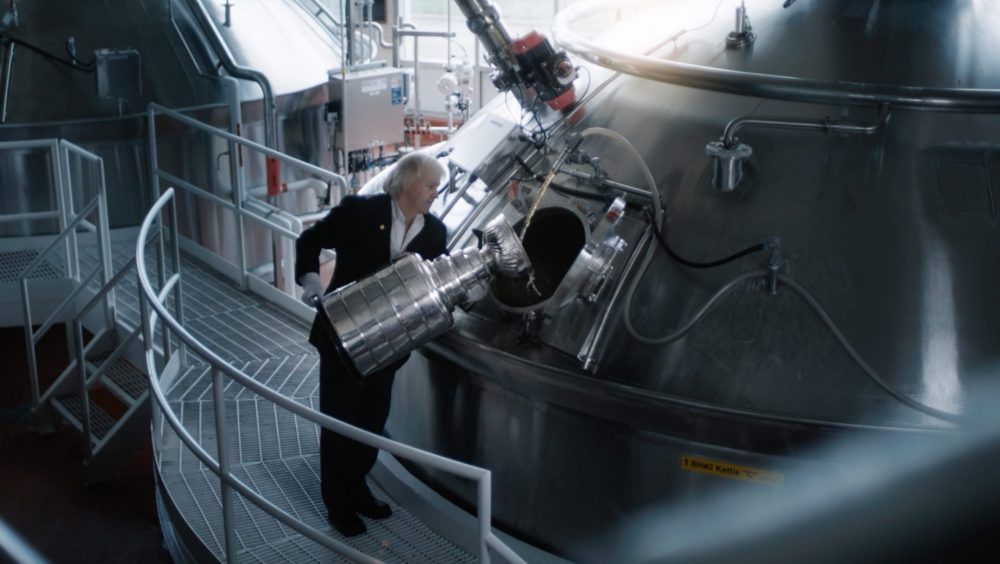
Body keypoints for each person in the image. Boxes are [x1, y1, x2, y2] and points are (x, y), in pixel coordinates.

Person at [295, 152, 447, 536]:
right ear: (409, 182)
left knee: (371, 423)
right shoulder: (360, 212)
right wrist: (312, 284)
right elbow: (310, 240)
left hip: (389, 346)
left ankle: (358, 487)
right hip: (341, 338)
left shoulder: (434, 233)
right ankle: (338, 504)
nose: (435, 192)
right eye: (431, 185)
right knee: (340, 422)